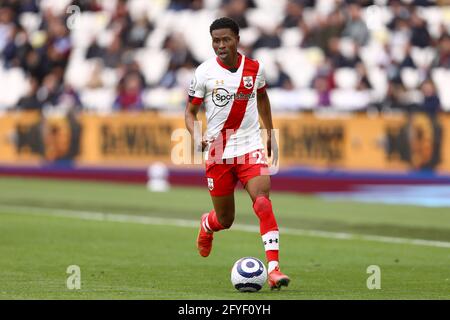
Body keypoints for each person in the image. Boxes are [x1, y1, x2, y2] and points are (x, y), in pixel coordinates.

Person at [184, 17, 290, 290]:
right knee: (225, 220)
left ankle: (275, 270)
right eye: (216, 40)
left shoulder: (255, 69)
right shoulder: (204, 73)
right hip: (218, 153)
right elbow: (190, 112)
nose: (220, 45)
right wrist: (196, 136)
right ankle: (207, 225)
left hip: (249, 147)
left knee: (263, 202)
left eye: (226, 39)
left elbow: (263, 97)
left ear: (237, 40)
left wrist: (269, 133)